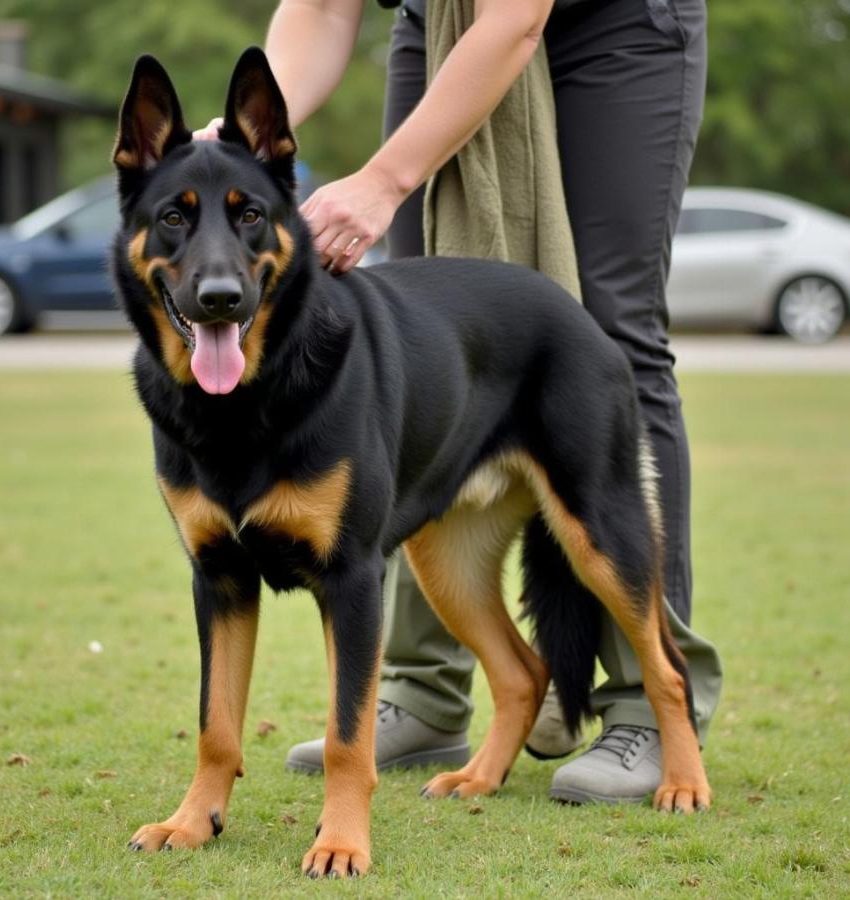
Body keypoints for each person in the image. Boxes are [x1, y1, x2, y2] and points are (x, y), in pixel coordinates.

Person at [200, 0, 723, 804]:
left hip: (614, 24)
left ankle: (652, 713)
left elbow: (515, 18)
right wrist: (246, 139)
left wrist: (383, 180)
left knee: (615, 330)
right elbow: (320, 7)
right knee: (429, 356)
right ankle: (427, 692)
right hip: (440, 19)